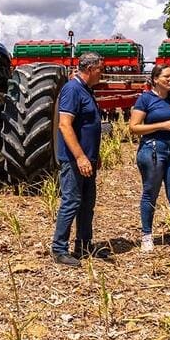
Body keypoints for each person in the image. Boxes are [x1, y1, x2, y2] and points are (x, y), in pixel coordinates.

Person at [129, 65, 170, 257]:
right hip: (152, 150)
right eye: (167, 76)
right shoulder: (145, 99)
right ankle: (147, 236)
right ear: (156, 79)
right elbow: (133, 127)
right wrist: (162, 125)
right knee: (150, 193)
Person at [50, 52, 109, 266]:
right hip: (74, 160)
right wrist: (81, 157)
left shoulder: (87, 91)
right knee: (71, 201)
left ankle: (84, 245)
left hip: (87, 159)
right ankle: (59, 249)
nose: (102, 73)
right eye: (101, 69)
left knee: (87, 203)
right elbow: (65, 125)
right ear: (90, 69)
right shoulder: (72, 90)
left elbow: (88, 127)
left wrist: (94, 156)